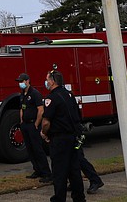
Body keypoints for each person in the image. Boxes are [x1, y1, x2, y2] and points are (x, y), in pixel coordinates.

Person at [41, 70, 86, 202]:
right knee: (74, 171)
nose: (46, 82)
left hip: (59, 140)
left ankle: (59, 198)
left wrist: (44, 133)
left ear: (53, 81)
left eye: (47, 79)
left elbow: (46, 121)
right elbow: (77, 116)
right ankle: (79, 198)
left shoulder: (51, 98)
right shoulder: (69, 95)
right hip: (73, 138)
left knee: (59, 172)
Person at [16, 72, 52, 182]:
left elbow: (40, 110)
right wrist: (21, 121)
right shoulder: (22, 94)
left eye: (22, 81)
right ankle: (37, 170)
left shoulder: (35, 93)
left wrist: (36, 124)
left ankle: (46, 173)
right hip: (25, 124)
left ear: (27, 81)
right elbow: (22, 108)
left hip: (33, 124)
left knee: (37, 149)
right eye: (19, 82)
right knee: (30, 149)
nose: (20, 83)